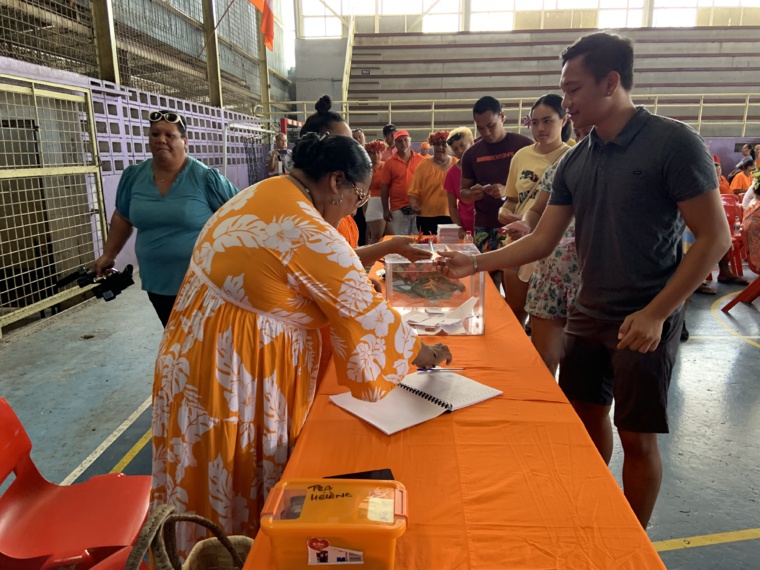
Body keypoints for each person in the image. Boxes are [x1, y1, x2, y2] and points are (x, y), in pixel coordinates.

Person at [438, 32, 730, 527]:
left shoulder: (673, 144)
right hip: (586, 311)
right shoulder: (576, 159)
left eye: (573, 91)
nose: (565, 102)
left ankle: (633, 539)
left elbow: (715, 239)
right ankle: (595, 511)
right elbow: (541, 240)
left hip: (644, 319)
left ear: (610, 82)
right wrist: (475, 264)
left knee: (637, 438)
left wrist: (658, 312)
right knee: (585, 418)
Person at [152, 134, 453, 556]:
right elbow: (368, 314)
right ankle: (242, 556)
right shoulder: (307, 227)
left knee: (205, 475)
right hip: (234, 374)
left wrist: (384, 248)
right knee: (233, 474)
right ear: (335, 181)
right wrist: (427, 353)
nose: (357, 206)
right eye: (358, 195)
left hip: (197, 353)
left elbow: (311, 264)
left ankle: (201, 553)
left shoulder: (269, 192)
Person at [94, 110, 238, 327]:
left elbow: (241, 214)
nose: (161, 140)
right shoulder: (133, 177)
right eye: (155, 134)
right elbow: (123, 216)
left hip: (203, 283)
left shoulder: (206, 178)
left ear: (185, 141)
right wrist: (109, 253)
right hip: (157, 282)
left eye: (169, 135)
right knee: (174, 339)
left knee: (203, 344)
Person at [299, 96, 425, 264]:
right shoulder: (301, 211)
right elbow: (329, 264)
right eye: (359, 195)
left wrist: (389, 248)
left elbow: (345, 256)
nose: (352, 150)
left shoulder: (326, 198)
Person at [498, 94, 571, 327]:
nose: (540, 128)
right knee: (514, 315)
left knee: (549, 324)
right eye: (535, 122)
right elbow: (511, 200)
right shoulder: (521, 156)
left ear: (565, 120)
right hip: (518, 243)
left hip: (554, 253)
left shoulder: (574, 157)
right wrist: (504, 211)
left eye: (547, 121)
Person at [459, 96, 532, 254]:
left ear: (502, 117)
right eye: (480, 128)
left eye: (491, 125)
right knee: (485, 274)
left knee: (514, 274)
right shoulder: (471, 154)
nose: (486, 132)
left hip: (519, 223)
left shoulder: (524, 146)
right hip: (484, 225)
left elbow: (539, 188)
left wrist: (507, 190)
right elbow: (463, 193)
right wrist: (472, 194)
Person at [408, 131, 456, 235]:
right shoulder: (423, 165)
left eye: (444, 144)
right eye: (437, 144)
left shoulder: (457, 164)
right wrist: (413, 204)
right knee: (428, 248)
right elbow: (413, 191)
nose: (440, 148)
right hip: (426, 217)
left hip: (452, 216)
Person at [381, 129, 425, 235]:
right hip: (398, 209)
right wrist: (386, 210)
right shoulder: (389, 163)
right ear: (395, 143)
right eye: (399, 141)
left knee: (418, 240)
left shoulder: (421, 160)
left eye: (406, 140)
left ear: (410, 141)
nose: (403, 143)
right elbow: (384, 188)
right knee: (401, 241)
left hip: (419, 208)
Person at [443, 127, 476, 235]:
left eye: (462, 145)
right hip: (467, 226)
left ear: (472, 142)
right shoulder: (451, 174)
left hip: (489, 221)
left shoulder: (485, 165)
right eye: (456, 149)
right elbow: (452, 206)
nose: (460, 151)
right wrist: (459, 228)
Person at [364, 140, 391, 244]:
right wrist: (365, 209)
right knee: (376, 237)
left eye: (378, 152)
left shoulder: (387, 165)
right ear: (368, 154)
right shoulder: (367, 169)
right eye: (372, 152)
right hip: (374, 202)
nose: (376, 155)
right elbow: (365, 190)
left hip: (389, 202)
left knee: (391, 236)